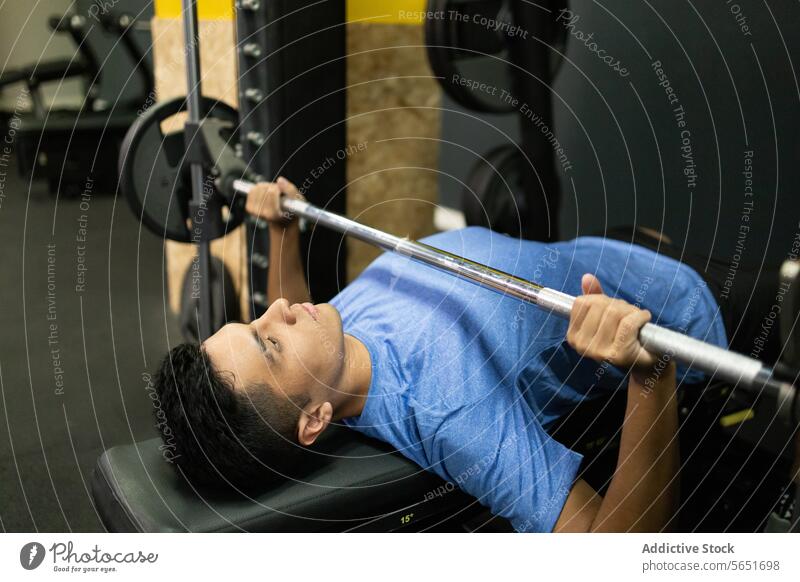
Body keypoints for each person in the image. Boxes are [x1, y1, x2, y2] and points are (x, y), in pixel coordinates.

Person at [153, 177, 788, 533]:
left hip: (613, 252)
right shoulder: (449, 409)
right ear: (315, 420)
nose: (280, 310)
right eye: (268, 339)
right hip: (686, 311)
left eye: (255, 318)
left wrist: (282, 232)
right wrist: (650, 374)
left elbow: (287, 342)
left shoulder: (330, 343)